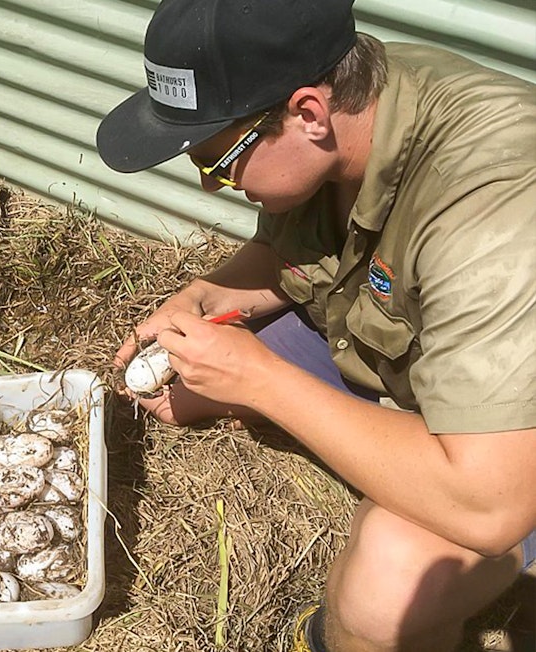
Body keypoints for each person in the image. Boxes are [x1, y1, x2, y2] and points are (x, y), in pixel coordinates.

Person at [96, 0, 536, 650]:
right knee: (186, 391)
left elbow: (489, 504)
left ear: (306, 114)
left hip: (505, 447)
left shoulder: (491, 211)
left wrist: (261, 380)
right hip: (407, 343)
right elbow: (293, 253)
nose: (211, 186)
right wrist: (204, 298)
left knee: (386, 592)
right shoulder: (354, 98)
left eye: (218, 161)